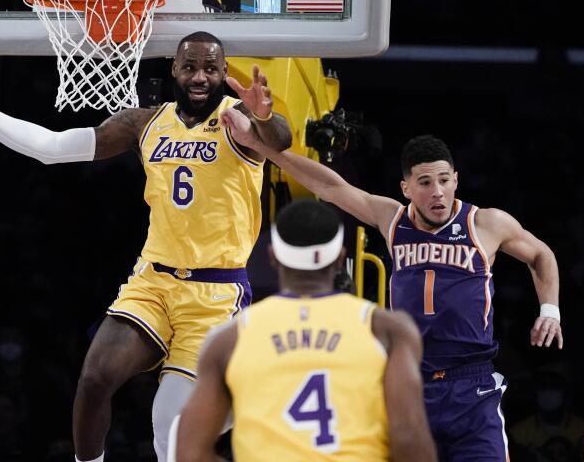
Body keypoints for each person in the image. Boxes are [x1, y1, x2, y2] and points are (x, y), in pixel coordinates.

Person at [0, 31, 292, 462]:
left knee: (166, 427)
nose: (199, 77)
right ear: (174, 69)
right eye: (190, 66)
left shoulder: (238, 120)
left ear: (223, 73)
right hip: (153, 284)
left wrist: (265, 115)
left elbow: (278, 140)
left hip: (213, 295)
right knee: (94, 379)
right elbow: (53, 148)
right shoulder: (145, 123)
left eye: (211, 68)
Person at [221, 117, 563, 462]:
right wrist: (260, 146)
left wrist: (550, 310)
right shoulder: (392, 219)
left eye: (444, 180)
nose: (438, 191)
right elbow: (329, 187)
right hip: (409, 380)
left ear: (456, 180)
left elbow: (540, 254)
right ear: (406, 188)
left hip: (472, 385)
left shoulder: (486, 223)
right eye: (425, 182)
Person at [172, 198, 437, 462]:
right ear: (340, 258)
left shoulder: (229, 339)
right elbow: (408, 439)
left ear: (273, 257)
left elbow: (190, 453)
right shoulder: (387, 330)